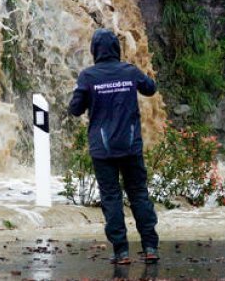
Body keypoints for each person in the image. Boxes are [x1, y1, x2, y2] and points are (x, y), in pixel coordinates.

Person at [68, 28, 160, 265]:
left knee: (111, 198)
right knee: (139, 194)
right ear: (117, 49)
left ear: (94, 50)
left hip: (103, 149)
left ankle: (121, 252)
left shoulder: (88, 77)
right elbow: (150, 88)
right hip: (130, 145)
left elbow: (75, 109)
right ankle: (150, 247)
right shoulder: (129, 71)